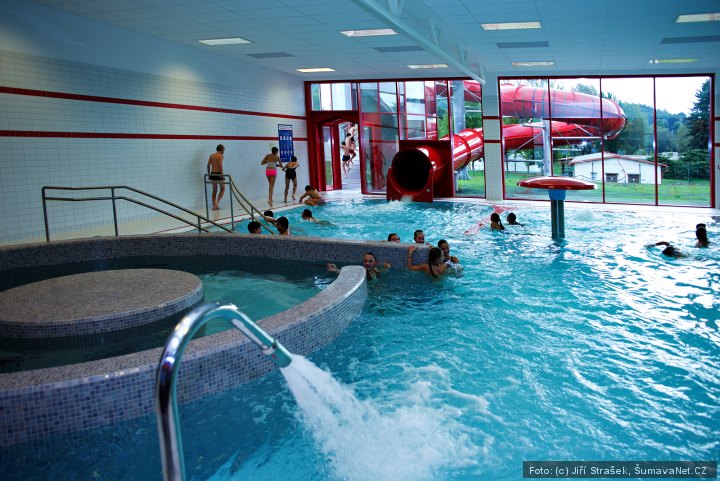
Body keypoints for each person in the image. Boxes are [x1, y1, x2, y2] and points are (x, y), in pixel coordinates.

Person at [207, 144, 225, 210]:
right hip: (219, 174)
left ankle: (214, 206)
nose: (224, 152)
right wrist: (222, 175)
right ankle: (217, 203)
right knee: (223, 189)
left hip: (213, 174)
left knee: (214, 190)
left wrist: (209, 174)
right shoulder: (221, 156)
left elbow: (208, 165)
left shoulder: (211, 155)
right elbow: (220, 164)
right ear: (221, 149)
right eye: (223, 150)